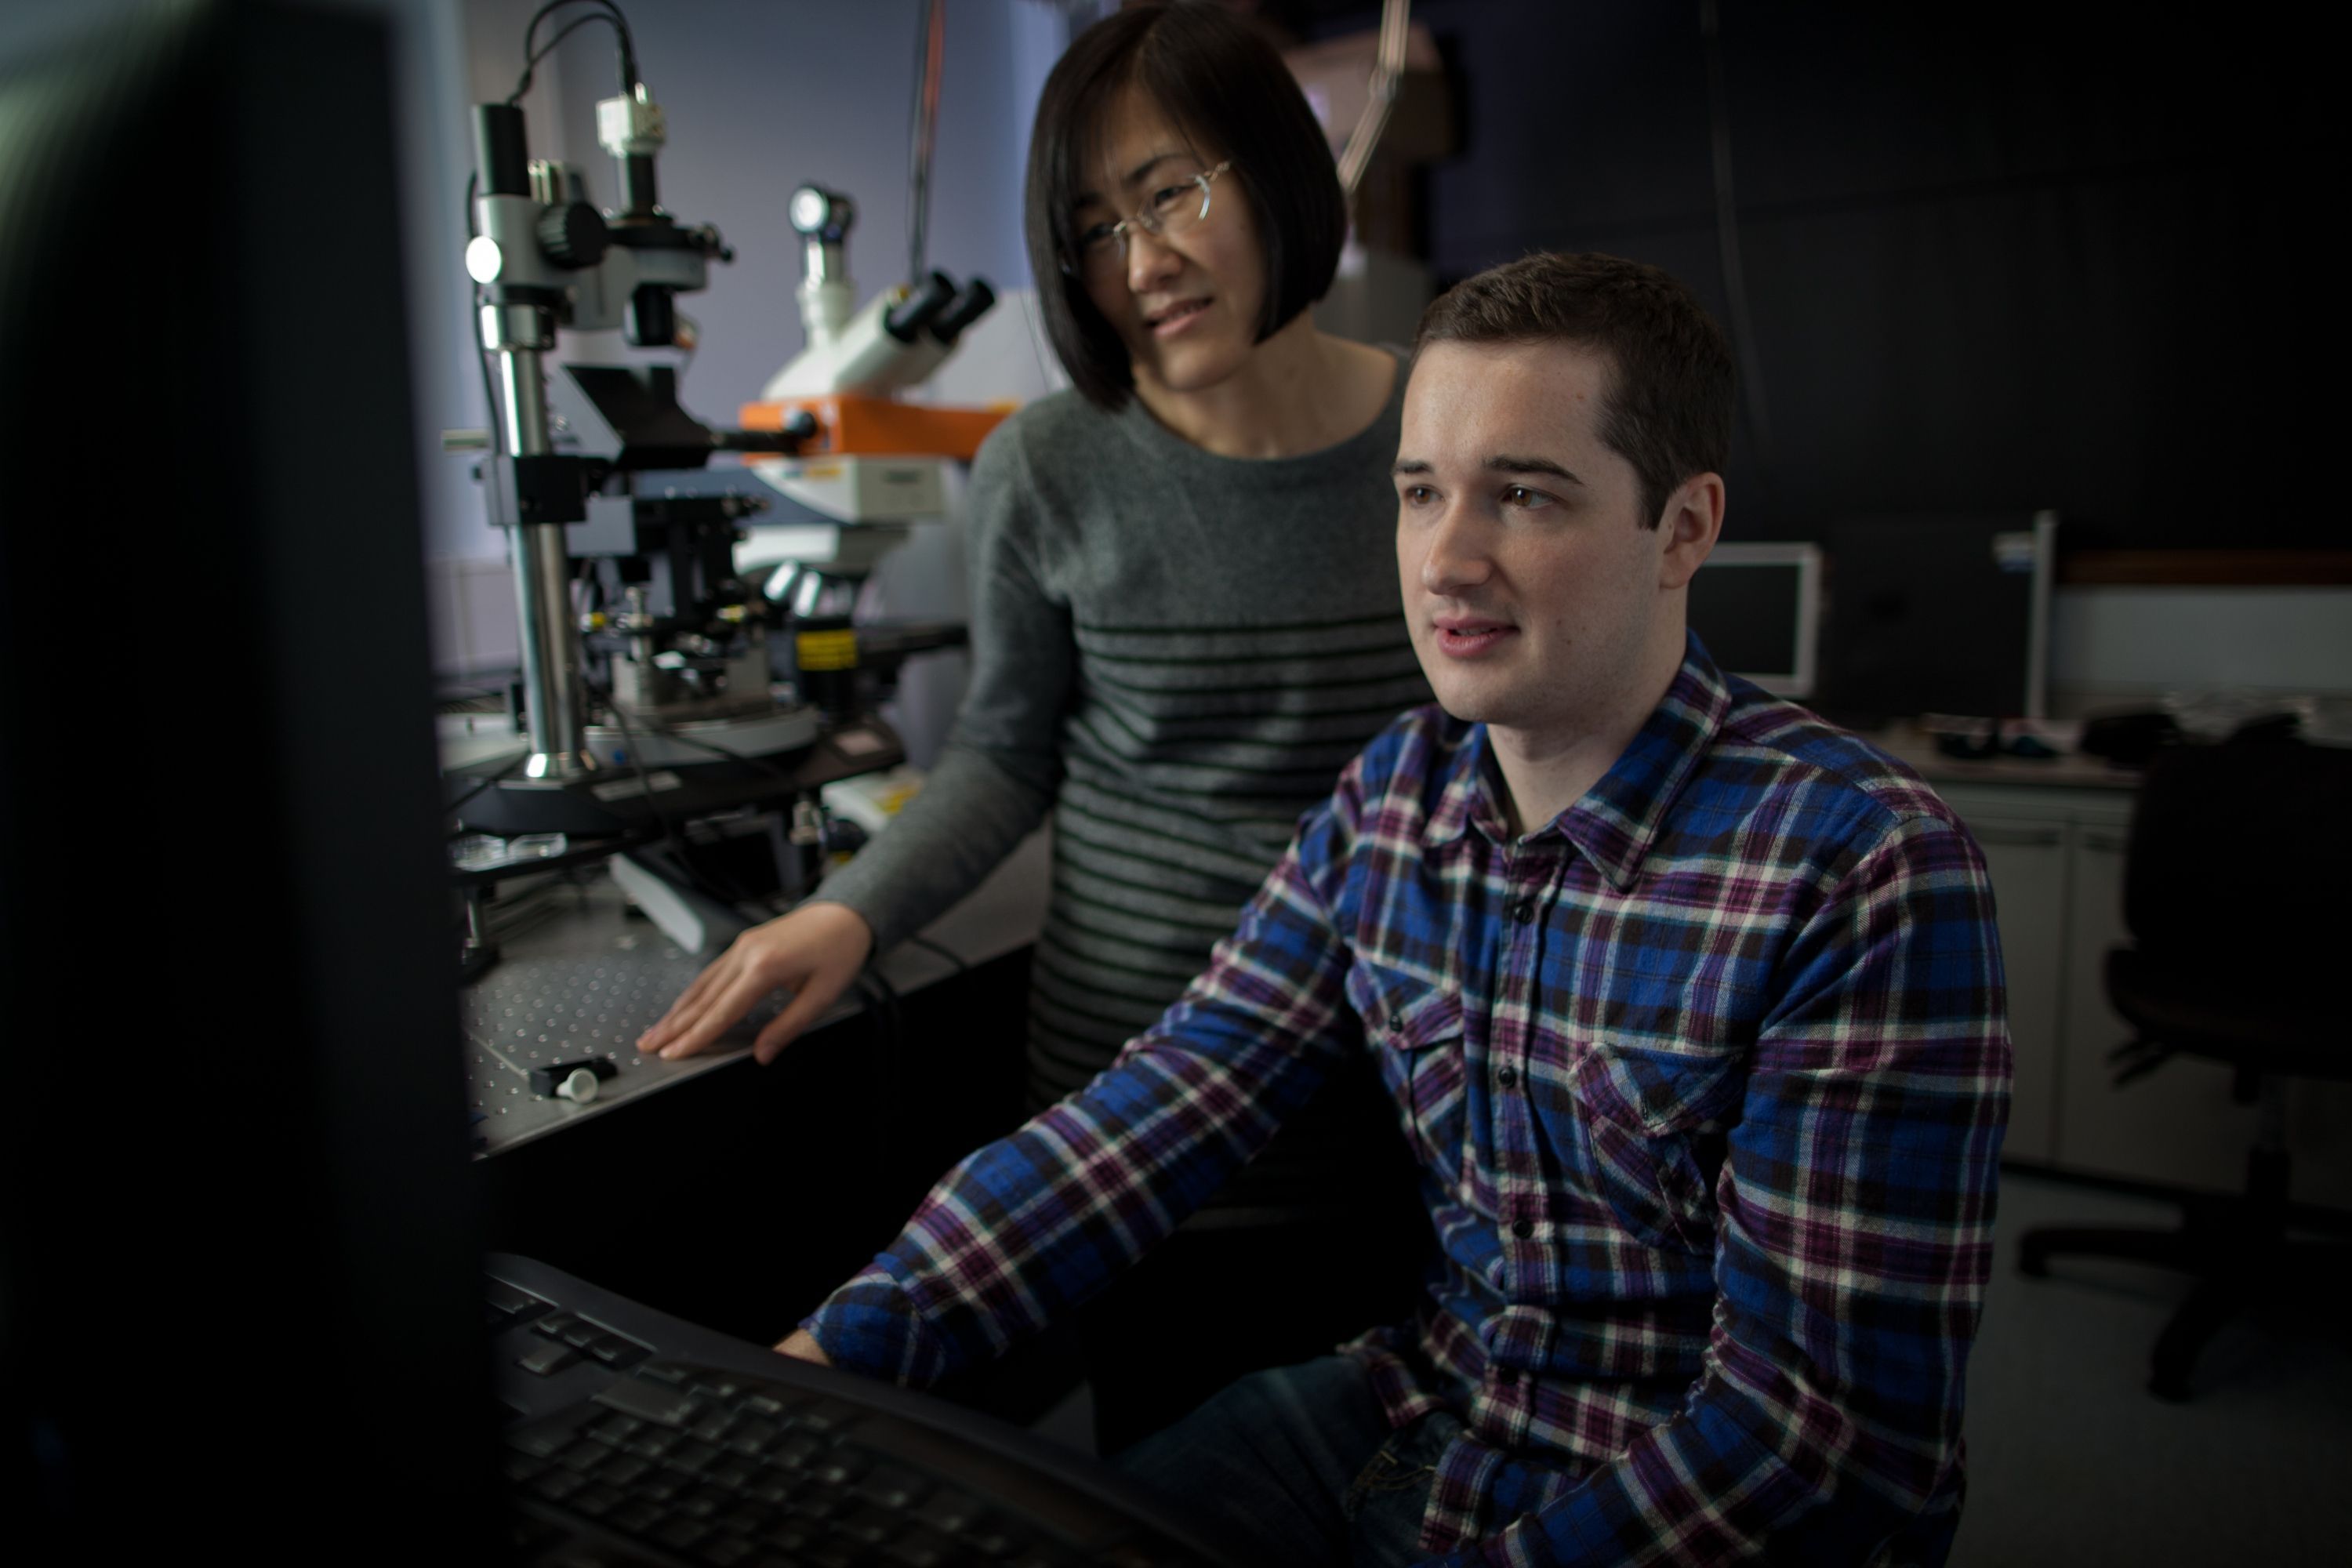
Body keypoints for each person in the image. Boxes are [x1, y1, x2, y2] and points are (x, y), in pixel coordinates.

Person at [776, 251, 2013, 1566]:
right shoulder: (1395, 796)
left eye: (1525, 495)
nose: (1446, 560)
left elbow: (1813, 1446)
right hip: (1421, 1407)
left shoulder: (1864, 866)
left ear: (1686, 527)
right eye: (1422, 494)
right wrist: (842, 1350)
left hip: (1665, 1486)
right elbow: (1174, 1095)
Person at [637, 2, 1429, 1442]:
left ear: (1279, 167)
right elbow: (1004, 751)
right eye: (1094, 227)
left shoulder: (1433, 438)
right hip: (1129, 1122)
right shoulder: (1044, 468)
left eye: (1173, 190)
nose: (1144, 262)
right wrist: (854, 913)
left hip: (1405, 1105)